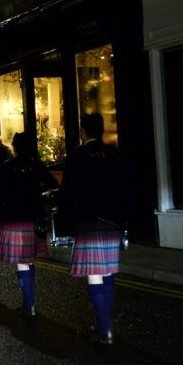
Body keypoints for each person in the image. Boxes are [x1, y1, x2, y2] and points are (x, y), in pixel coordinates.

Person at [59, 113, 125, 344]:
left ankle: (104, 329)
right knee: (107, 272)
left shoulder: (77, 155)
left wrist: (66, 219)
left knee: (95, 274)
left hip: (88, 221)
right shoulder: (113, 153)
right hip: (112, 221)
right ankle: (104, 324)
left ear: (83, 131)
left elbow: (68, 192)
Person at [0, 133, 58, 317]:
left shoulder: (7, 167)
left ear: (14, 147)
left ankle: (29, 304)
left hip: (13, 220)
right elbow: (53, 187)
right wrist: (42, 197)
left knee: (22, 264)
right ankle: (28, 300)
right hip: (33, 219)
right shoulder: (37, 166)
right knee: (29, 261)